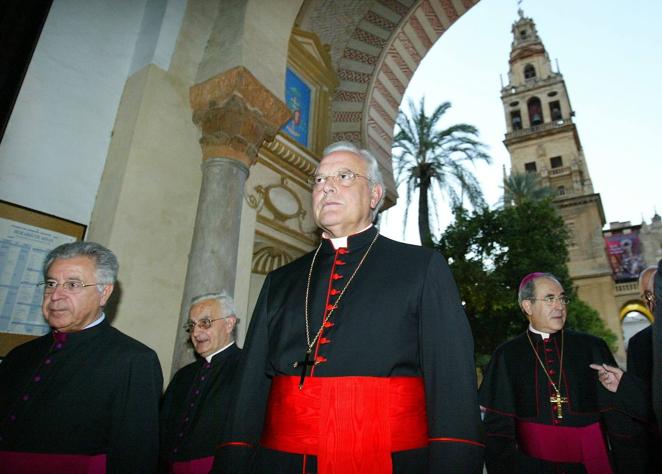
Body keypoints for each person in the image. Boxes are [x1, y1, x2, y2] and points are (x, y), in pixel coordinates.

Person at [213, 141, 484, 473]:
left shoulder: (421, 267)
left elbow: (451, 381)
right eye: (318, 180)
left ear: (374, 196)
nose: (326, 186)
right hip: (279, 462)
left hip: (388, 461)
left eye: (343, 176)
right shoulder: (280, 280)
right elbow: (251, 386)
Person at [0, 241, 163, 473]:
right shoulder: (19, 355)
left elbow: (135, 457)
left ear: (103, 293)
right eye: (51, 283)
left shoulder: (133, 360)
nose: (56, 295)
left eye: (72, 284)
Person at [479, 272, 645, 473]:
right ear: (527, 306)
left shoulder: (592, 347)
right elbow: (498, 431)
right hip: (534, 467)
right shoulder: (507, 356)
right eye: (550, 299)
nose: (559, 306)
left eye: (562, 298)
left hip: (593, 464)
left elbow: (617, 416)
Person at [160, 292, 241, 473]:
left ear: (229, 323)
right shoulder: (183, 375)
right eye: (192, 325)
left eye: (205, 323)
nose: (196, 333)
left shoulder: (247, 368)